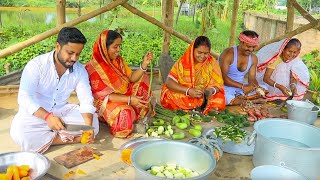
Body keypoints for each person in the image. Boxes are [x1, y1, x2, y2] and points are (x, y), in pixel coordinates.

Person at [10, 27, 99, 153]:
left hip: (62, 112)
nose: (74, 58)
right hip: (37, 114)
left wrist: (88, 127)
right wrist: (47, 117)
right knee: (20, 132)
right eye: (70, 53)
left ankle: (52, 137)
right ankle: (69, 138)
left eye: (78, 54)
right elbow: (24, 98)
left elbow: (86, 99)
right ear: (58, 46)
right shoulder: (36, 66)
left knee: (93, 122)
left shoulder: (79, 70)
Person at [85, 30, 153, 138]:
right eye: (115, 47)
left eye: (119, 46)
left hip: (124, 95)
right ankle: (128, 119)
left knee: (143, 78)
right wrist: (130, 100)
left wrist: (144, 64)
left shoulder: (119, 61)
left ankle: (134, 113)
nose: (118, 50)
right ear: (104, 47)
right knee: (124, 113)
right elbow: (104, 96)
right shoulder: (93, 68)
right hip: (104, 102)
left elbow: (131, 78)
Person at [160, 36, 226, 114]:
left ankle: (193, 108)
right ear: (192, 50)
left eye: (206, 53)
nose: (202, 56)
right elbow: (169, 82)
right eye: (199, 52)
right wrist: (188, 91)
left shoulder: (212, 62)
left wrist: (210, 90)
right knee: (169, 95)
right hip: (185, 93)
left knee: (220, 98)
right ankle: (202, 108)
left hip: (203, 95)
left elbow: (219, 86)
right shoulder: (183, 62)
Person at [219, 30, 266, 105]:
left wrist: (257, 88)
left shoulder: (253, 58)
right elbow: (222, 78)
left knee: (264, 88)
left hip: (241, 87)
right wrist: (242, 86)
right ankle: (251, 101)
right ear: (241, 42)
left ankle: (239, 98)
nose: (251, 50)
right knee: (224, 97)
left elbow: (252, 79)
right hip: (225, 86)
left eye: (253, 47)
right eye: (248, 46)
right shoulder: (228, 54)